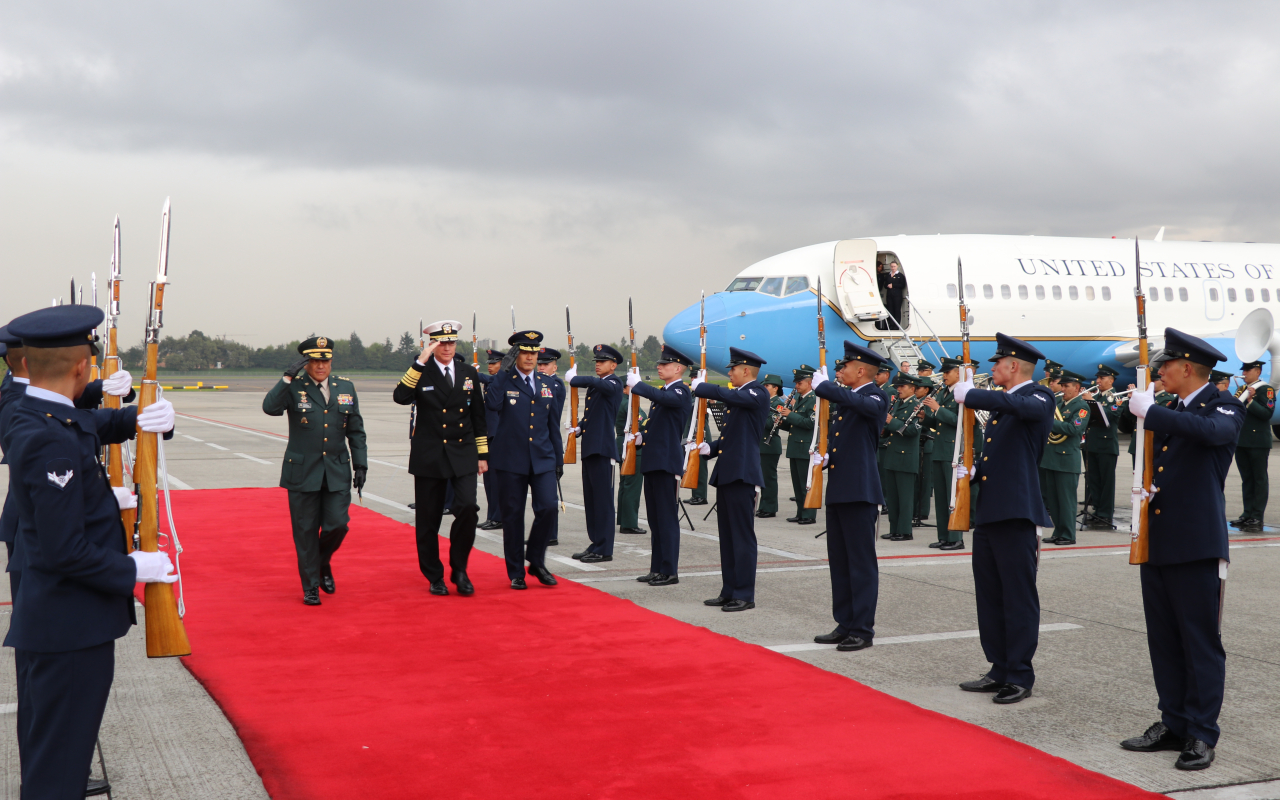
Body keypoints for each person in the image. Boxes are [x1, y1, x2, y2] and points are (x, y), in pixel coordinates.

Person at [2, 305, 176, 799]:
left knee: (51, 754)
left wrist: (139, 417)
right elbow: (64, 551)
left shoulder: (36, 414)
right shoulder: (48, 437)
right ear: (83, 366)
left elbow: (86, 424)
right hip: (70, 625)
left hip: (55, 619)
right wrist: (132, 567)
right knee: (60, 769)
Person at [1119, 328, 1244, 771]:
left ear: (1187, 367)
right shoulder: (1170, 409)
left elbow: (1210, 433)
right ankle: (1173, 721)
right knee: (1165, 640)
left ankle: (1201, 732)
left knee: (1199, 642)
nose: (1160, 373)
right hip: (1158, 539)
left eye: (1166, 366)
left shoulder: (1223, 405)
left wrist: (1152, 411)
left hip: (1195, 543)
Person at [952, 333, 1054, 705]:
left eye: (997, 363)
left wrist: (972, 394)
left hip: (1016, 512)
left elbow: (1025, 409)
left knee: (1017, 596)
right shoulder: (1005, 403)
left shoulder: (1038, 397)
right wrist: (975, 471)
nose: (992, 368)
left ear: (1014, 366)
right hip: (991, 510)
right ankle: (999, 667)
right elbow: (1001, 455)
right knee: (991, 595)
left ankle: (1020, 674)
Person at [263, 336, 368, 605]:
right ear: (306, 363)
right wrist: (286, 378)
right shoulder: (294, 387)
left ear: (331, 361)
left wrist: (360, 464)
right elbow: (270, 408)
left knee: (338, 525)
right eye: (314, 361)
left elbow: (356, 430)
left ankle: (322, 561)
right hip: (302, 472)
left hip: (337, 471)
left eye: (325, 360)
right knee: (306, 532)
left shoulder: (345, 387)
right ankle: (310, 586)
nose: (321, 366)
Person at [392, 320, 487, 597]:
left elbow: (478, 415)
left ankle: (460, 569)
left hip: (462, 452)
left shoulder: (469, 372)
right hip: (430, 454)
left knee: (467, 508)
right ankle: (434, 575)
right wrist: (420, 362)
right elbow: (400, 396)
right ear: (432, 346)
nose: (447, 347)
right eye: (441, 343)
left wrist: (482, 454)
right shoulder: (421, 371)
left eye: (451, 342)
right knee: (428, 520)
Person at [810, 343, 889, 651]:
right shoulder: (850, 399)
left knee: (860, 564)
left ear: (861, 370)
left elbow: (863, 407)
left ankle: (862, 629)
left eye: (845, 367)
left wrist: (826, 388)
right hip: (841, 488)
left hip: (860, 492)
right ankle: (844, 623)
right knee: (841, 563)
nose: (840, 371)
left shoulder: (875, 397)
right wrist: (829, 456)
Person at [691, 348, 770, 611]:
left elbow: (730, 396)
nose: (729, 374)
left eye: (733, 369)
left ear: (746, 370)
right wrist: (710, 449)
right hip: (728, 472)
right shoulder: (740, 397)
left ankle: (744, 594)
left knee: (742, 536)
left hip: (742, 474)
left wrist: (703, 387)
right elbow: (732, 437)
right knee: (727, 537)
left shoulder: (757, 393)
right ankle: (729, 590)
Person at [486, 331, 563, 589]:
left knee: (548, 507)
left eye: (534, 352)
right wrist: (503, 372)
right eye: (524, 352)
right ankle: (516, 571)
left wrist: (558, 459)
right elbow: (492, 404)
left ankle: (537, 560)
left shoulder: (547, 384)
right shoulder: (503, 382)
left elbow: (553, 425)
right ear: (515, 355)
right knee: (513, 516)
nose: (530, 357)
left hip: (542, 458)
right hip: (510, 460)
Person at [629, 345, 694, 585]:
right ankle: (656, 568)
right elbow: (660, 428)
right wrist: (642, 437)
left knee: (666, 520)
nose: (659, 367)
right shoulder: (664, 392)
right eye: (659, 364)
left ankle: (669, 570)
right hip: (654, 462)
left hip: (667, 463)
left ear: (678, 369)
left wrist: (638, 385)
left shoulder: (680, 391)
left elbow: (666, 399)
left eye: (664, 364)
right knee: (655, 520)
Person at [566, 344, 625, 563]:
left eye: (602, 362)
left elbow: (595, 383)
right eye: (596, 362)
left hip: (603, 450)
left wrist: (576, 379)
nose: (598, 365)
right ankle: (595, 543)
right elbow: (593, 415)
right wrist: (580, 428)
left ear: (613, 365)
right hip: (591, 448)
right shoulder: (599, 386)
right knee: (591, 502)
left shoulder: (614, 383)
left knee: (603, 502)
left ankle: (604, 549)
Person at [921, 357, 980, 550]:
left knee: (953, 497)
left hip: (954, 451)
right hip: (941, 450)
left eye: (947, 372)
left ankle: (956, 538)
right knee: (941, 498)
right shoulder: (944, 392)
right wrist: (924, 417)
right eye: (944, 372)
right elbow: (939, 424)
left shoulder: (964, 393)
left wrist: (938, 409)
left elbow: (962, 421)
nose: (944, 376)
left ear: (958, 373)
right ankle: (944, 536)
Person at [1040, 370, 1090, 545]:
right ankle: (1058, 531)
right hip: (1051, 458)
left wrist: (1048, 422)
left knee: (1066, 500)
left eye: (1066, 386)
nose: (1062, 389)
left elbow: (1074, 429)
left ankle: (1068, 534)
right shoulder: (1059, 404)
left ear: (1077, 388)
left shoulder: (1081, 407)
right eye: (1062, 386)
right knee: (1054, 500)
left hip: (1066, 460)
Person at [1230, 359, 1273, 532]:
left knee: (1259, 480)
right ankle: (1247, 513)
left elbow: (1266, 413)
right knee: (1247, 479)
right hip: (1242, 440)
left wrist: (1250, 401)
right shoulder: (1242, 389)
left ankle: (1257, 516)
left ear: (1258, 371)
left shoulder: (1265, 390)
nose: (1244, 373)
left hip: (1258, 442)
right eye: (1244, 370)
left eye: (1248, 370)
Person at [880, 373, 922, 541]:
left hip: (906, 458)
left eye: (902, 386)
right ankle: (894, 528)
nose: (898, 389)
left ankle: (905, 530)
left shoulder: (917, 406)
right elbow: (890, 429)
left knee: (904, 497)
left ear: (912, 389)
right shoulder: (897, 403)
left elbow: (912, 431)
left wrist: (891, 421)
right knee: (893, 497)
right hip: (892, 455)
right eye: (898, 386)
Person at [1082, 364, 1122, 530]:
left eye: (1102, 378)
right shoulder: (1097, 397)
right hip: (1092, 444)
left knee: (1106, 482)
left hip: (1106, 445)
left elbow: (1111, 415)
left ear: (1111, 380)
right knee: (1094, 480)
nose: (1098, 381)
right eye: (1098, 378)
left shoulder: (1116, 398)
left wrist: (1091, 402)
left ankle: (1105, 513)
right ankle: (1097, 510)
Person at [778, 365, 817, 525]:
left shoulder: (814, 399)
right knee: (797, 483)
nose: (796, 386)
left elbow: (810, 423)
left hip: (805, 448)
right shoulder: (800, 399)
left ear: (809, 383)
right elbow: (795, 424)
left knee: (805, 484)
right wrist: (782, 422)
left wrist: (791, 415)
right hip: (795, 447)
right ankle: (800, 512)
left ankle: (809, 514)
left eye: (799, 383)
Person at [537, 347, 566, 546]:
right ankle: (543, 532)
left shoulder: (555, 384)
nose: (541, 367)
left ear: (554, 367)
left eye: (545, 364)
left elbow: (552, 423)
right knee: (540, 497)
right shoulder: (538, 382)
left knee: (548, 496)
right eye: (539, 364)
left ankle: (550, 533)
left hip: (548, 443)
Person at [478, 349, 505, 531]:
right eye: (489, 363)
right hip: (488, 435)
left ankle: (498, 517)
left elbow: (488, 379)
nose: (490, 366)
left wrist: (473, 373)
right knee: (489, 481)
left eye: (494, 363)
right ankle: (492, 516)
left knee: (496, 481)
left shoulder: (500, 380)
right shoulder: (490, 381)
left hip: (497, 436)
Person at [614, 383, 647, 535]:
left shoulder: (620, 400)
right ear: (626, 388)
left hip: (622, 443)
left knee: (625, 485)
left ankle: (624, 520)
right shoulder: (629, 403)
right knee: (632, 486)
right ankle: (629, 523)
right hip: (631, 445)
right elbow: (641, 422)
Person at [757, 374, 786, 518]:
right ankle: (763, 506)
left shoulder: (777, 404)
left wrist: (758, 412)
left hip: (769, 446)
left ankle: (769, 507)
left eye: (767, 386)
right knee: (761, 477)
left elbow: (770, 423)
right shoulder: (765, 402)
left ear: (775, 388)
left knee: (768, 478)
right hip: (760, 445)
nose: (764, 388)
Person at [912, 376, 935, 527]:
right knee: (917, 480)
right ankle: (915, 510)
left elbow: (931, 424)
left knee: (925, 481)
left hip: (926, 445)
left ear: (926, 389)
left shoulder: (929, 403)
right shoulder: (917, 402)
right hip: (917, 445)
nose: (915, 390)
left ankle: (922, 511)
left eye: (918, 388)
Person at [883, 262, 907, 328]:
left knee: (897, 310)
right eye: (892, 266)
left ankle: (896, 325)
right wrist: (888, 286)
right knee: (890, 310)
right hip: (889, 295)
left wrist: (893, 285)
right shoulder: (888, 275)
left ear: (897, 266)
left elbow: (902, 285)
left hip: (897, 295)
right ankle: (891, 324)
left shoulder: (900, 275)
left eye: (894, 266)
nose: (893, 268)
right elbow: (885, 285)